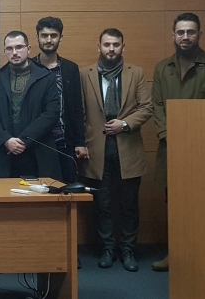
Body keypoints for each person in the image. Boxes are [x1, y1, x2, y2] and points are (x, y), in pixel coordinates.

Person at [150, 13, 205, 272]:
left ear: (199, 35)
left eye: (190, 32)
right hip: (170, 149)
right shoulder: (162, 68)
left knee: (204, 203)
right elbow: (157, 106)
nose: (185, 37)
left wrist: (196, 140)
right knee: (174, 204)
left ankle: (203, 255)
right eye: (181, 32)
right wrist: (169, 136)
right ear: (173, 35)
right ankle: (176, 254)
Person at [79, 28, 152, 272]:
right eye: (107, 44)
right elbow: (79, 112)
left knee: (129, 204)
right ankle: (107, 249)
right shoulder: (84, 74)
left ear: (123, 47)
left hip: (128, 148)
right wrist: (81, 142)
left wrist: (125, 124)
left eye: (116, 44)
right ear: (98, 47)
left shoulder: (136, 73)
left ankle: (128, 250)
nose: (111, 49)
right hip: (96, 150)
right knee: (103, 204)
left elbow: (147, 107)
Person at [0, 31, 62, 180]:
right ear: (5, 51)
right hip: (4, 153)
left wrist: (24, 140)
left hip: (38, 151)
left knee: (40, 195)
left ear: (28, 49)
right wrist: (6, 140)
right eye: (9, 48)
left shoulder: (46, 77)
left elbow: (51, 114)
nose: (14, 52)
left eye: (19, 47)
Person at [31, 17, 86, 184]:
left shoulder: (70, 68)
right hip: (36, 143)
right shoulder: (29, 67)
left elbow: (77, 108)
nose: (49, 40)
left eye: (53, 35)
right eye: (44, 35)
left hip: (64, 142)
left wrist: (80, 142)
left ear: (61, 38)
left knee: (66, 191)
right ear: (37, 37)